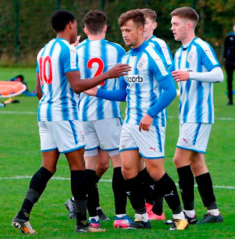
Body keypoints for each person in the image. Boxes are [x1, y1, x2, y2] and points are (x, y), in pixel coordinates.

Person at [11, 10, 130, 234]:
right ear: (70, 25)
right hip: (64, 114)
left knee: (48, 167)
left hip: (44, 113)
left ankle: (22, 215)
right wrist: (108, 74)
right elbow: (77, 86)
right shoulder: (68, 50)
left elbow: (38, 90)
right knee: (79, 168)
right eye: (74, 24)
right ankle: (83, 224)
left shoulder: (44, 50)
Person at [86, 9, 188, 230]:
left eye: (128, 30)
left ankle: (180, 217)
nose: (124, 34)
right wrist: (97, 92)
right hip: (130, 124)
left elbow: (170, 90)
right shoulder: (125, 58)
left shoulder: (152, 56)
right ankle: (141, 218)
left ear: (141, 29)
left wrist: (151, 113)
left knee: (155, 171)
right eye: (122, 30)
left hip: (149, 124)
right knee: (127, 170)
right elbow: (123, 94)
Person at [64, 9, 131, 229]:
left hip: (83, 114)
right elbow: (127, 79)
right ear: (105, 28)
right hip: (108, 113)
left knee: (88, 168)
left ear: (84, 29)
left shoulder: (76, 50)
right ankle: (120, 216)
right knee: (118, 164)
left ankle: (92, 218)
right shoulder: (117, 49)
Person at [170, 7, 224, 224]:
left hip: (199, 115)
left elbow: (218, 74)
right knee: (196, 162)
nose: (172, 28)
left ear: (188, 25)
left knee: (179, 159)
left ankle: (189, 214)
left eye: (175, 24)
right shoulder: (178, 52)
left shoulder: (201, 47)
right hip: (186, 115)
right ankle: (213, 212)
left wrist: (191, 74)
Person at [140, 8, 175, 221]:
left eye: (146, 23)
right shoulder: (137, 47)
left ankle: (158, 210)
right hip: (139, 114)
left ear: (154, 25)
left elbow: (167, 76)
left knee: (153, 164)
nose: (142, 27)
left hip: (154, 113)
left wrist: (154, 109)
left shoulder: (158, 45)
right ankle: (150, 207)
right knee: (141, 164)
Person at [223, 21, 235, 105]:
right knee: (229, 81)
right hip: (230, 62)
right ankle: (230, 99)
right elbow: (225, 48)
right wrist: (225, 59)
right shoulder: (229, 36)